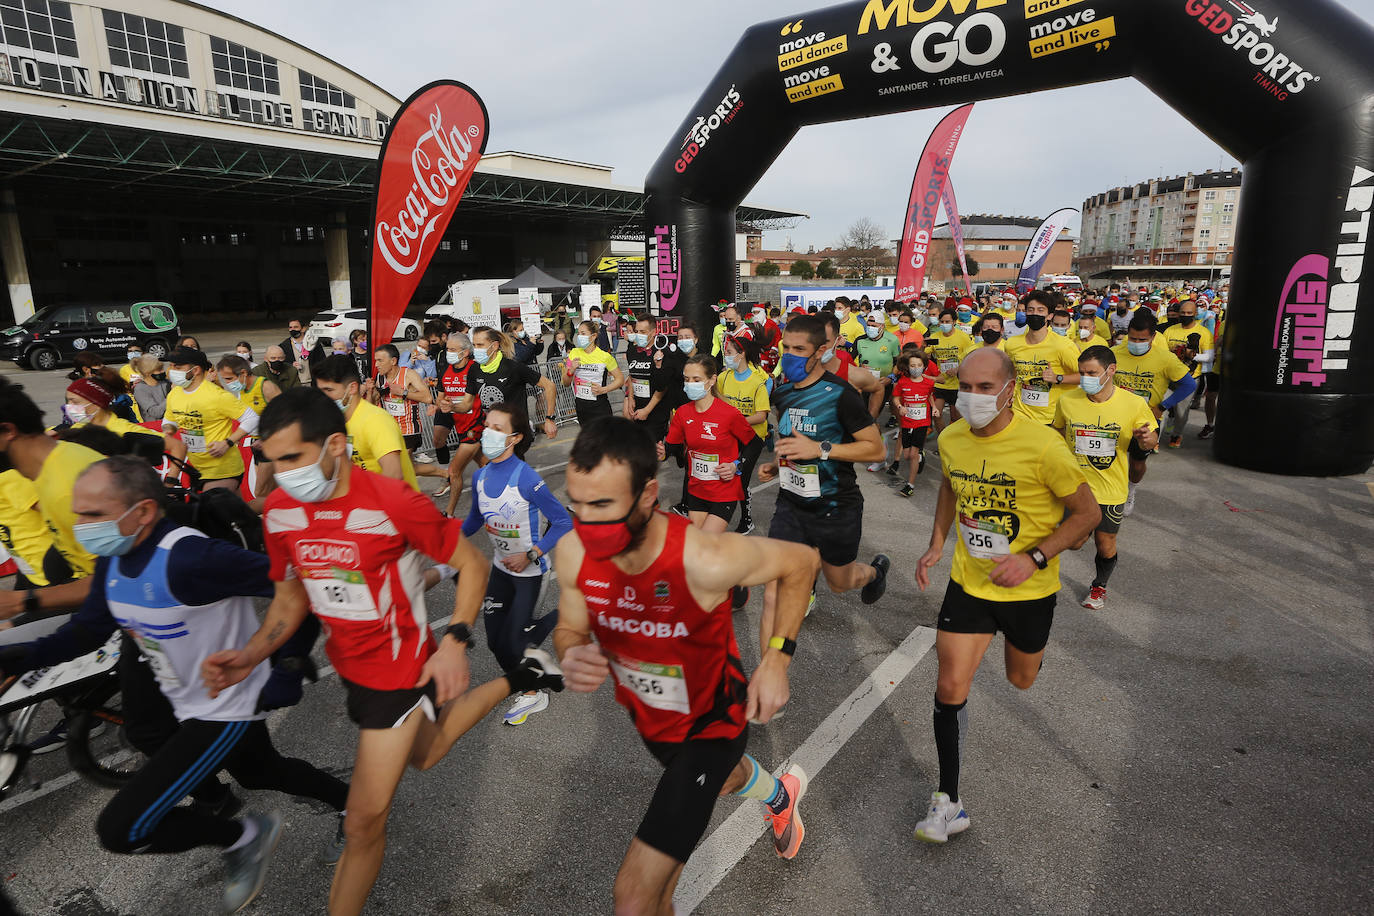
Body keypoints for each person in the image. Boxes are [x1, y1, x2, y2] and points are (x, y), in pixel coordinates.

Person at [202, 388, 563, 916]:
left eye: (293, 459)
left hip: (401, 671)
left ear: (334, 445)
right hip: (354, 670)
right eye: (272, 461)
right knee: (428, 751)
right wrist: (251, 653)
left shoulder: (392, 502)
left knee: (365, 820)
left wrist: (454, 642)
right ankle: (523, 676)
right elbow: (288, 599)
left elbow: (473, 564)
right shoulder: (280, 511)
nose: (280, 474)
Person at [0, 456, 351, 914]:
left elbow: (299, 587)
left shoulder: (190, 558)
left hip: (225, 706)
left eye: (92, 514)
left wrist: (286, 662)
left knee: (122, 829)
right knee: (263, 772)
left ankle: (243, 837)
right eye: (77, 512)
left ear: (143, 512)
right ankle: (355, 804)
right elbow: (87, 629)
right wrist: (20, 657)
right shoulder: (114, 559)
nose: (79, 524)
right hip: (184, 700)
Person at [554, 417, 817, 914]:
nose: (586, 523)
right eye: (577, 503)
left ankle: (776, 796)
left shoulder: (702, 558)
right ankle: (779, 796)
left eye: (603, 506)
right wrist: (572, 651)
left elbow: (801, 561)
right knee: (662, 893)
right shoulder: (573, 552)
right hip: (654, 726)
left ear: (648, 494)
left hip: (711, 723)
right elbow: (569, 627)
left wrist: (777, 659)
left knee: (633, 896)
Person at [913, 348, 1100, 844]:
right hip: (970, 583)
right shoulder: (951, 437)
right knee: (949, 687)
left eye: (982, 388)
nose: (970, 398)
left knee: (1021, 680)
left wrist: (1034, 558)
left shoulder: (1044, 447)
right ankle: (948, 801)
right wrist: (936, 543)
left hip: (1030, 590)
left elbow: (1086, 515)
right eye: (964, 387)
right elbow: (951, 486)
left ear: (1008, 389)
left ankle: (1017, 660)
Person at [756, 315, 889, 617]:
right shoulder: (782, 393)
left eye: (799, 349)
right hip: (791, 505)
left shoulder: (841, 394)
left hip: (835, 506)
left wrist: (820, 449)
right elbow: (795, 439)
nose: (789, 355)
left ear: (819, 352)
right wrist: (777, 465)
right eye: (785, 347)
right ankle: (774, 662)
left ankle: (874, 573)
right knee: (776, 590)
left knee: (841, 582)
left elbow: (876, 450)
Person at [461, 402, 572, 726]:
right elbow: (471, 523)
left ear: (514, 438)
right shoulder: (480, 475)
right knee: (496, 641)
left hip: (530, 571)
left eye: (497, 429)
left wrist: (532, 554)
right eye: (487, 425)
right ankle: (530, 682)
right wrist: (436, 534)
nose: (488, 433)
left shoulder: (527, 479)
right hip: (500, 570)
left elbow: (563, 522)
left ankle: (533, 692)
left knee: (515, 640)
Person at [1051, 347, 1159, 611]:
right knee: (1074, 543)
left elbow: (1151, 438)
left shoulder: (1133, 404)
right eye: (1082, 372)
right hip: (1075, 487)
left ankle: (1099, 585)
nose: (1085, 377)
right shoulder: (1067, 401)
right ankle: (1084, 529)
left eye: (1092, 372)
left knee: (1105, 542)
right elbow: (1056, 432)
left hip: (1110, 488)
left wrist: (1146, 441)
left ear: (1110, 370)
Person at [660, 354, 761, 539]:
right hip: (697, 490)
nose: (690, 384)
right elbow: (672, 446)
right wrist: (662, 453)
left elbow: (754, 444)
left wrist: (736, 466)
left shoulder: (729, 414)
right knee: (699, 544)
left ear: (712, 380)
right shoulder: (682, 413)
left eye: (696, 379)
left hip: (724, 491)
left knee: (705, 543)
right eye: (687, 379)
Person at [1111, 313, 1197, 515]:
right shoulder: (1114, 353)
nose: (1136, 343)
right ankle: (1111, 495)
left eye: (1142, 340)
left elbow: (1188, 385)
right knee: (1111, 459)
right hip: (1115, 417)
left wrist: (1162, 407)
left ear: (1152, 337)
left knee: (1137, 463)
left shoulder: (1165, 358)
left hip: (1145, 422)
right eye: (1132, 338)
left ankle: (1131, 490)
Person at [162, 347, 259, 492]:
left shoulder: (216, 395)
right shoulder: (174, 394)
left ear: (195, 370)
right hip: (196, 469)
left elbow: (252, 418)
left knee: (209, 510)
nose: (171, 370)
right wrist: (168, 429)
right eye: (171, 365)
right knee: (237, 512)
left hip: (223, 469)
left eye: (178, 366)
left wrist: (228, 442)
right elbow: (169, 421)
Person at [313, 355, 418, 490]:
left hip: (395, 506)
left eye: (328, 390)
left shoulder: (375, 420)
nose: (323, 397)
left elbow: (394, 474)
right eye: (320, 391)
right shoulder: (336, 422)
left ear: (352, 388)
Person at [716, 333, 770, 534]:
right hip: (732, 437)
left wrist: (736, 422)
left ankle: (747, 520)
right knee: (726, 476)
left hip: (753, 439)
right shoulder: (723, 377)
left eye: (729, 353)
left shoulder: (756, 382)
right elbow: (719, 401)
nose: (726, 356)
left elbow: (761, 416)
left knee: (741, 478)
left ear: (741, 355)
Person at [1004, 291, 1081, 427]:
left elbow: (1086, 376)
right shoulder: (1012, 344)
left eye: (1040, 310)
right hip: (1020, 414)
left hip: (1051, 418)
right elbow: (1012, 373)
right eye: (1031, 310)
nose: (1035, 314)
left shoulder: (1063, 346)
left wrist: (1058, 378)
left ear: (1050, 315)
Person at [372, 344, 442, 479]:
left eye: (380, 360)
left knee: (397, 467)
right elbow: (374, 401)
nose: (376, 365)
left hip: (409, 429)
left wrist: (403, 392)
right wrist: (370, 391)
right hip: (390, 430)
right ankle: (446, 474)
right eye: (376, 360)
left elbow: (427, 398)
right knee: (409, 467)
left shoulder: (408, 375)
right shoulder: (380, 378)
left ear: (393, 361)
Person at [429, 332, 482, 504]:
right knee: (437, 438)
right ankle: (446, 476)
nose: (448, 353)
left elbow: (470, 400)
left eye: (452, 349)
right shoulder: (445, 370)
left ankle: (495, 476)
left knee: (477, 456)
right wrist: (439, 404)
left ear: (465, 352)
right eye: (447, 349)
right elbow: (440, 396)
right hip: (448, 410)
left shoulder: (475, 368)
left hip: (467, 414)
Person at [1160, 298, 1215, 448]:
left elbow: (1210, 356)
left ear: (1195, 314)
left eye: (1189, 313)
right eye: (1183, 312)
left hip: (1189, 379)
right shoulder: (1170, 330)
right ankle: (1155, 438)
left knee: (1181, 411)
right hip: (1168, 377)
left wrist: (1190, 355)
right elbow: (1161, 352)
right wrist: (1173, 352)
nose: (1185, 315)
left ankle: (1177, 434)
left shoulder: (1204, 333)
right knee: (1161, 407)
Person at [889, 349, 939, 497]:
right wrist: (900, 407)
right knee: (907, 455)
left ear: (924, 366)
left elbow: (929, 396)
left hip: (922, 422)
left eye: (919, 365)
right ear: (907, 366)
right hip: (906, 423)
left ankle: (910, 485)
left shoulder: (929, 383)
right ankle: (920, 456)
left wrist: (934, 408)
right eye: (913, 365)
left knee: (913, 454)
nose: (916, 368)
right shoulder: (902, 382)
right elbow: (896, 398)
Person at [623, 315, 679, 444]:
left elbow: (663, 387)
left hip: (656, 412)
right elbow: (632, 375)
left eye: (643, 332)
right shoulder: (632, 350)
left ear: (653, 332)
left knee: (649, 453)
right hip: (637, 409)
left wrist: (647, 410)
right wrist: (630, 397)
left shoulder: (663, 352)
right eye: (637, 331)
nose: (639, 335)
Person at [563, 320, 623, 426]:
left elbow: (620, 379)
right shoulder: (574, 353)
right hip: (581, 406)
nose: (579, 337)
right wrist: (571, 370)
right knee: (588, 440)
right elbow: (565, 383)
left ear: (593, 336)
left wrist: (604, 389)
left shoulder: (604, 356)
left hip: (599, 406)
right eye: (578, 333)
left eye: (583, 333)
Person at [928, 308, 976, 431]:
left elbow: (972, 358)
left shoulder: (963, 337)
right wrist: (923, 346)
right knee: (936, 414)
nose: (944, 325)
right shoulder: (934, 337)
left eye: (947, 322)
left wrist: (958, 369)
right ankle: (942, 441)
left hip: (957, 385)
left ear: (954, 321)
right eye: (942, 322)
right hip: (941, 383)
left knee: (956, 418)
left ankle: (955, 443)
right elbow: (925, 355)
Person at [217, 354, 279, 418]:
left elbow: (285, 413)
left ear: (244, 373)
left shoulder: (266, 387)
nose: (227, 383)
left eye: (229, 378)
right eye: (224, 379)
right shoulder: (242, 388)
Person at [133, 355, 172, 421]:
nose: (163, 371)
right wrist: (172, 395)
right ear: (147, 372)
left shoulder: (165, 382)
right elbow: (156, 413)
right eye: (159, 370)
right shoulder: (140, 389)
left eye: (162, 368)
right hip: (156, 427)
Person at [280, 319, 312, 384]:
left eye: (296, 327)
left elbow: (322, 363)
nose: (292, 329)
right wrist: (291, 366)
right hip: (294, 384)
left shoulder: (313, 344)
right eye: (290, 327)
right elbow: (281, 366)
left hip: (312, 383)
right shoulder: (283, 346)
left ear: (303, 329)